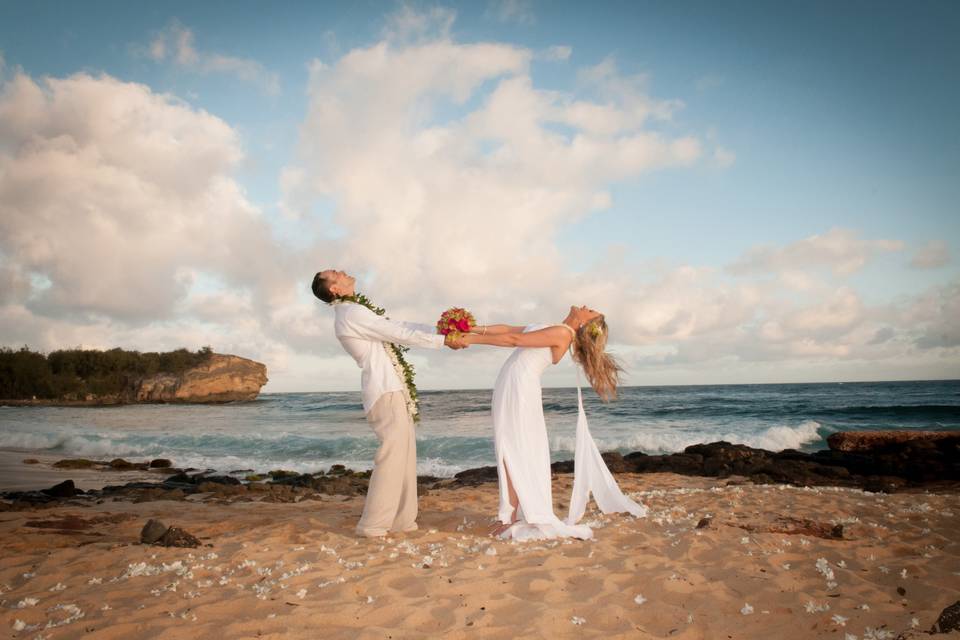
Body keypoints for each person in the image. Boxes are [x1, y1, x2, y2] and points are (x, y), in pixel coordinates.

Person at [460, 305, 647, 540]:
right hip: (511, 385)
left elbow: (513, 339)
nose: (588, 307)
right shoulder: (555, 327)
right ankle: (510, 515)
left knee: (513, 450)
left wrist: (469, 339)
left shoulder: (564, 333)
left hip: (520, 390)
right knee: (508, 448)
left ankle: (510, 517)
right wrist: (472, 327)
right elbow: (508, 328)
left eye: (592, 312)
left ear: (584, 324)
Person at [312, 269, 464, 538]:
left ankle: (402, 520)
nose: (341, 271)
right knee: (392, 457)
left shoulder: (355, 311)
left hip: (393, 389)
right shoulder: (351, 313)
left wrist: (441, 331)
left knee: (404, 456)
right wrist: (443, 340)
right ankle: (373, 524)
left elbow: (400, 325)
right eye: (334, 273)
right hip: (384, 392)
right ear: (334, 289)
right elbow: (396, 332)